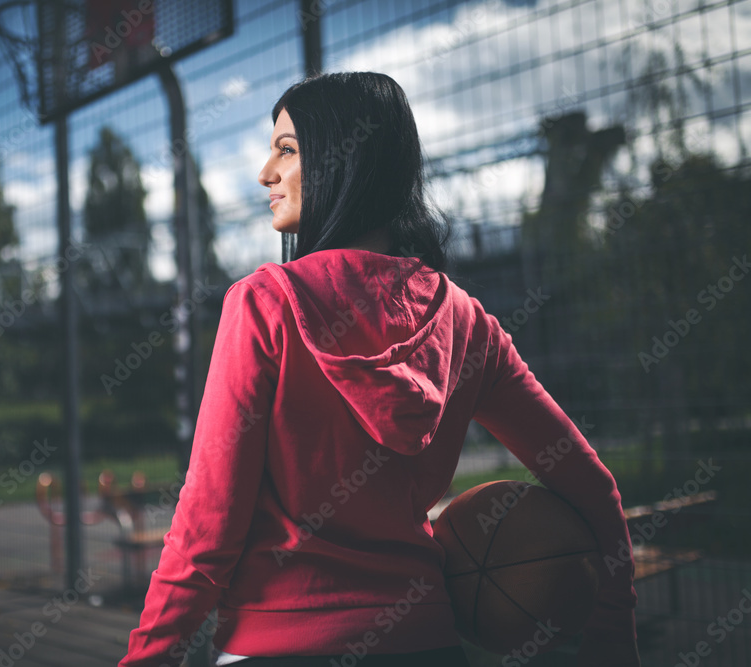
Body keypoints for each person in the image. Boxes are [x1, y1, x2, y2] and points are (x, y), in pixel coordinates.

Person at [119, 72, 640, 667]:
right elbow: (595, 488)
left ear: (344, 161)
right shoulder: (467, 322)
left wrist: (149, 656)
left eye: (287, 149)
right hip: (426, 644)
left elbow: (209, 525)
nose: (266, 173)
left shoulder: (264, 304)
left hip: (276, 644)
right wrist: (612, 641)